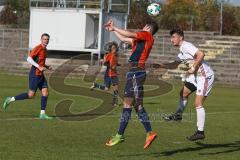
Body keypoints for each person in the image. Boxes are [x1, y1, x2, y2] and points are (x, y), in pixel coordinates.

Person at [104, 19, 159, 149]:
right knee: (137, 105)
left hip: (136, 72)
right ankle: (150, 133)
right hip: (135, 73)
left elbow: (129, 34)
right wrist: (113, 30)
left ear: (147, 27)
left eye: (144, 25)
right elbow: (125, 39)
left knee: (127, 104)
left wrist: (115, 27)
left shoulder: (147, 35)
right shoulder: (142, 40)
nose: (142, 27)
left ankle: (120, 135)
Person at [154, 27, 214, 141]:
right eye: (171, 37)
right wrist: (161, 65)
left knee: (198, 103)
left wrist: (193, 67)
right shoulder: (181, 52)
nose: (171, 40)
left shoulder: (186, 46)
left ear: (180, 37)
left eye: (173, 37)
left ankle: (200, 132)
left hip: (205, 76)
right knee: (184, 93)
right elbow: (174, 65)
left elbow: (201, 54)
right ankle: (178, 115)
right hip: (196, 77)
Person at [3, 33, 53, 120]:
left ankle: (42, 114)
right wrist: (39, 67)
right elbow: (29, 59)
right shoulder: (38, 48)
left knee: (45, 92)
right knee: (31, 95)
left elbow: (40, 62)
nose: (46, 41)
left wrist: (46, 66)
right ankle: (10, 99)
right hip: (35, 74)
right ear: (41, 40)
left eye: (47, 39)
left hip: (41, 75)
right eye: (44, 39)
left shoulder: (45, 50)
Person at [91, 41, 119, 106]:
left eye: (115, 48)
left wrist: (117, 64)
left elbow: (114, 63)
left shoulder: (116, 55)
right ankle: (96, 85)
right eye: (113, 48)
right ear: (110, 49)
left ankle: (114, 102)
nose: (115, 49)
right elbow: (105, 63)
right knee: (107, 89)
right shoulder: (108, 55)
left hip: (114, 74)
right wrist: (111, 66)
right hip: (108, 74)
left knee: (115, 88)